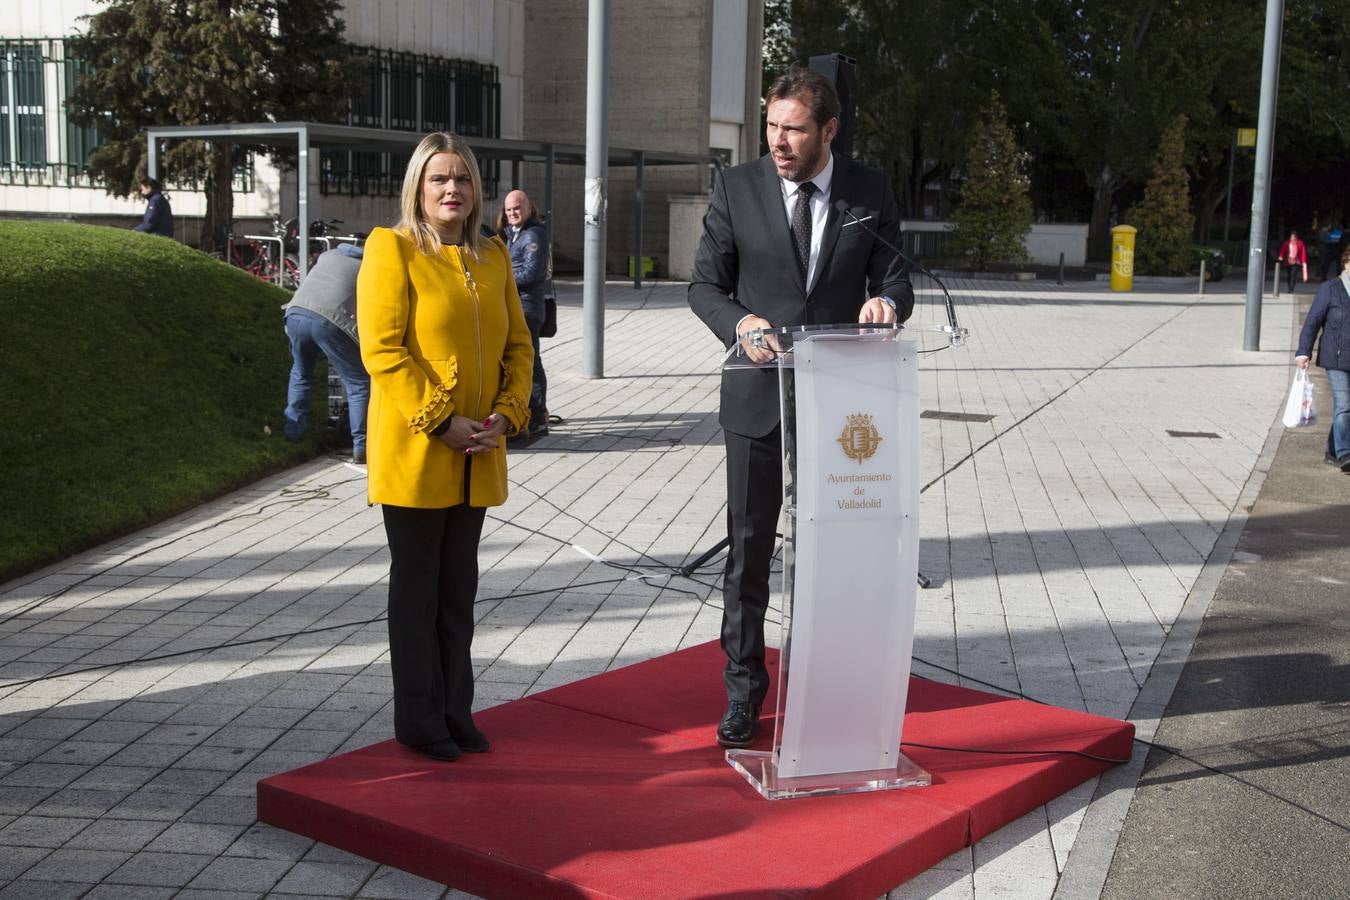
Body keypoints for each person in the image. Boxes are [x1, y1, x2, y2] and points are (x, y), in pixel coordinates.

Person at [688, 67, 914, 749]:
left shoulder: (868, 190)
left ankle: (828, 682)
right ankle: (744, 691)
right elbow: (704, 285)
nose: (778, 141)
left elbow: (895, 273)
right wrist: (740, 322)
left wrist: (887, 304)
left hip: (842, 405)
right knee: (749, 550)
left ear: (829, 131)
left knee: (832, 550)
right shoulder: (738, 186)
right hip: (757, 395)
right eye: (771, 126)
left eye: (793, 128)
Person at [357, 132, 534, 761]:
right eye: (439, 179)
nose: (452, 189)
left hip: (478, 450)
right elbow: (381, 349)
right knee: (418, 591)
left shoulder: (493, 256)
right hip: (418, 451)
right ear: (418, 188)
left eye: (462, 178)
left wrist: (508, 415)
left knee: (459, 592)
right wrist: (440, 419)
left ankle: (457, 709)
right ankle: (418, 718)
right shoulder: (393, 248)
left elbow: (518, 345)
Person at [282, 243, 370, 462]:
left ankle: (293, 432)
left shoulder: (329, 254)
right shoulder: (371, 265)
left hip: (295, 313)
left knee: (301, 373)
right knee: (359, 382)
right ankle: (362, 446)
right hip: (330, 321)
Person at [501, 189, 552, 437]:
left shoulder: (533, 235)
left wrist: (502, 279)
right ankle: (532, 411)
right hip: (517, 308)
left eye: (517, 208)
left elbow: (533, 273)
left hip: (528, 309)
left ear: (529, 208)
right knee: (526, 360)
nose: (512, 213)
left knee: (531, 362)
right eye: (509, 209)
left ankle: (538, 415)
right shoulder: (512, 235)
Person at [1295, 246, 1350, 470]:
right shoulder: (1331, 289)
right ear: (1346, 262)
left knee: (1345, 408)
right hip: (1336, 358)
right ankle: (1345, 454)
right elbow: (1313, 321)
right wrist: (1303, 351)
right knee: (1344, 405)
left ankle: (1332, 449)